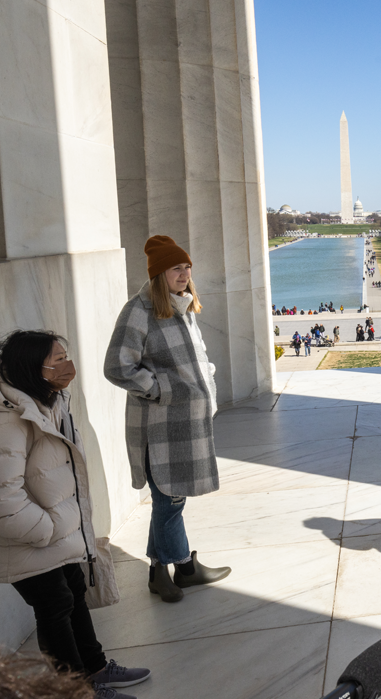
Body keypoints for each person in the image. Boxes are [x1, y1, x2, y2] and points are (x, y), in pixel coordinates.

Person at [0, 331, 152, 698]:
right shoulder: (6, 416)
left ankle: (94, 669)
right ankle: (76, 690)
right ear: (32, 367)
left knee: (74, 592)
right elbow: (1, 497)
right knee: (54, 606)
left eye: (67, 355)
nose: (68, 366)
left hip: (56, 530)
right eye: (58, 359)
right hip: (30, 536)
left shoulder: (50, 400)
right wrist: (46, 530)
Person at [104, 235, 231, 604]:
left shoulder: (184, 307)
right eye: (176, 267)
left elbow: (194, 359)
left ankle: (161, 571)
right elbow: (117, 366)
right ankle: (183, 569)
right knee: (169, 500)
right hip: (159, 425)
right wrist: (161, 389)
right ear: (159, 273)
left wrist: (206, 380)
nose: (185, 273)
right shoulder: (139, 310)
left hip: (188, 425)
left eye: (187, 266)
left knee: (171, 498)